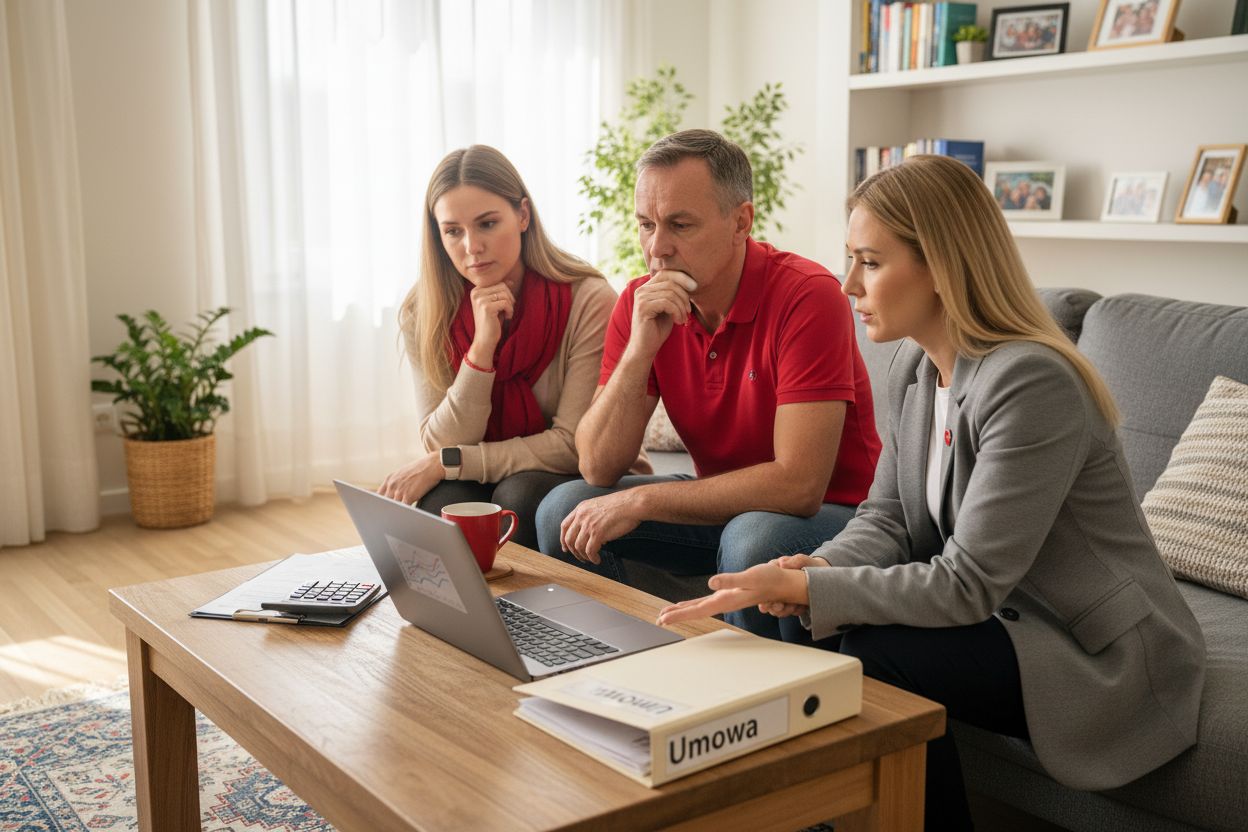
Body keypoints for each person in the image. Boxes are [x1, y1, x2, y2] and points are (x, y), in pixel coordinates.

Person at [657, 155, 1205, 830]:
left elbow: (969, 583)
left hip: (1093, 651)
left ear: (943, 266)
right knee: (791, 615)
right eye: (850, 259)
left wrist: (812, 590)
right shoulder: (919, 370)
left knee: (878, 652)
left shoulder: (1032, 384)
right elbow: (886, 518)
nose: (849, 283)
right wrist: (815, 570)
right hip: (1007, 615)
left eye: (871, 262)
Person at [536, 129, 881, 639]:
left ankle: (744, 700)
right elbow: (597, 464)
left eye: (680, 225)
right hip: (722, 502)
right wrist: (640, 351)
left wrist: (642, 502)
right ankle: (624, 665)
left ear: (741, 221)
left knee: (753, 537)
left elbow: (799, 485)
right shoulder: (640, 302)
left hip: (836, 513)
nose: (658, 248)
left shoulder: (808, 296)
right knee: (562, 509)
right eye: (646, 225)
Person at [381, 145, 645, 549]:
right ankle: (461, 614)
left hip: (571, 478)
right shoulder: (424, 311)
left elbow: (572, 445)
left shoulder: (588, 300)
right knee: (444, 503)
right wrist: (482, 349)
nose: (471, 247)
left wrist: (448, 463)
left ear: (523, 215)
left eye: (487, 224)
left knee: (517, 497)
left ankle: (527, 613)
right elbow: (440, 439)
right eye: (453, 231)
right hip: (493, 472)